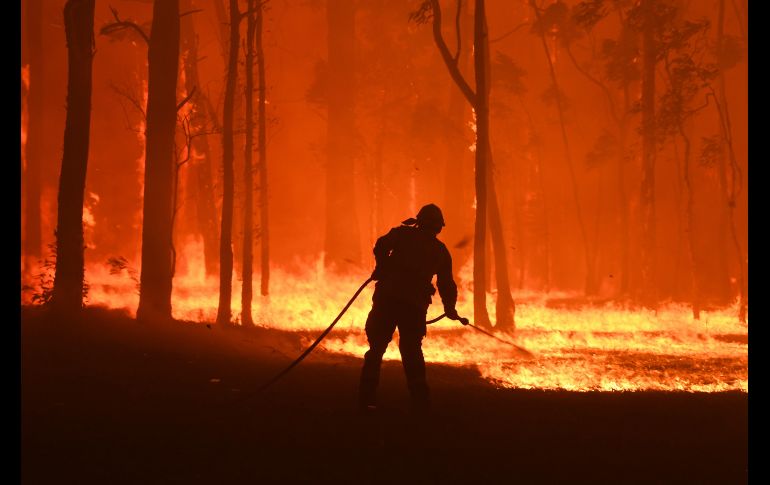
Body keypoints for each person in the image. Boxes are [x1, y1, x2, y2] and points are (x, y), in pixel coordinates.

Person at [359, 203, 461, 414]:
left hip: (388, 299)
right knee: (412, 351)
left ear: (418, 221)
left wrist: (382, 266)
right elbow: (446, 284)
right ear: (438, 227)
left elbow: (380, 246)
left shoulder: (402, 234)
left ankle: (366, 398)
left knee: (376, 349)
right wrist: (449, 308)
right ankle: (420, 402)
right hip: (413, 307)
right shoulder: (439, 251)